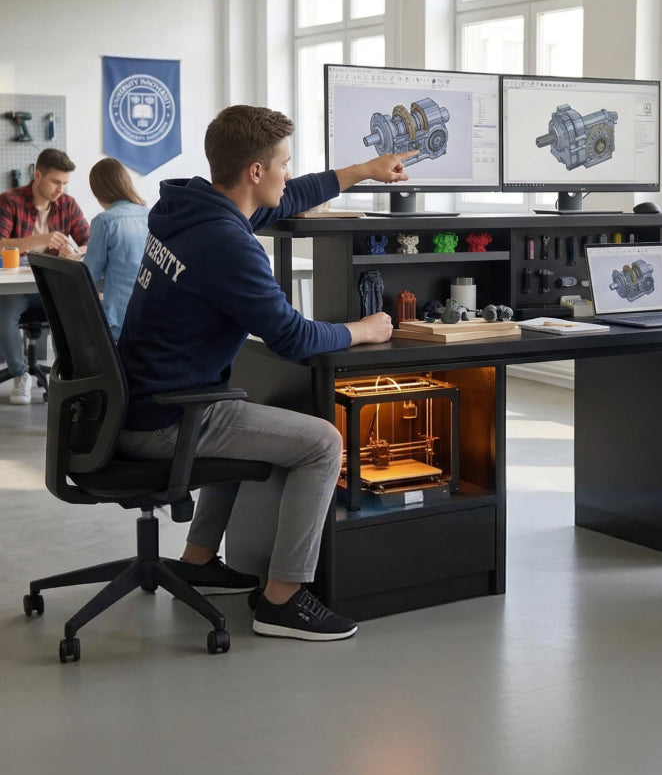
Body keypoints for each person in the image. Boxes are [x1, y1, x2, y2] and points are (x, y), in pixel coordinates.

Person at [115, 104, 409, 641]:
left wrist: (362, 170)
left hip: (142, 400)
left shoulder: (190, 210)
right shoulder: (228, 244)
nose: (289, 174)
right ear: (255, 172)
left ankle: (199, 561)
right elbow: (293, 338)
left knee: (234, 408)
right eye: (284, 163)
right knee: (322, 443)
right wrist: (363, 330)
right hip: (166, 419)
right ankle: (283, 598)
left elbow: (291, 196)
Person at [0, 147, 90, 404]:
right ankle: (20, 376)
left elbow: (89, 244)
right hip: (17, 288)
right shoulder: (10, 200)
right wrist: (38, 240)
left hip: (50, 285)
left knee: (75, 311)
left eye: (65, 183)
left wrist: (72, 250)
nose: (60, 189)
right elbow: (0, 243)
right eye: (55, 182)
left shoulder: (67, 204)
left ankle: (68, 378)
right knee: (5, 313)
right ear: (37, 175)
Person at [83, 158, 149, 340]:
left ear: (97, 191)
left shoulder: (105, 221)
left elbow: (88, 274)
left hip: (119, 321)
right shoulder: (152, 214)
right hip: (152, 316)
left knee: (65, 325)